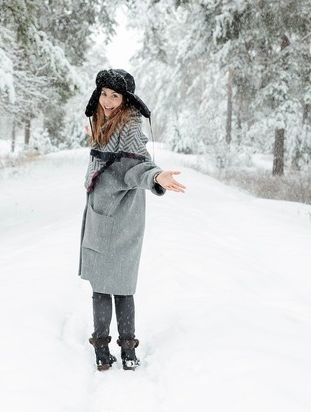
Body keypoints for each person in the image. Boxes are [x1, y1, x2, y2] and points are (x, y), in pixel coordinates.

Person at [79, 69, 186, 371]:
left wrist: (157, 176)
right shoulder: (102, 123)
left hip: (123, 217)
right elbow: (105, 156)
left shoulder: (129, 127)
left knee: (122, 286)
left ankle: (127, 350)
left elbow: (140, 165)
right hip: (101, 214)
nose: (108, 101)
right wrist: (93, 138)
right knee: (101, 286)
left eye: (115, 95)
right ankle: (104, 350)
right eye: (104, 94)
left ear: (126, 99)